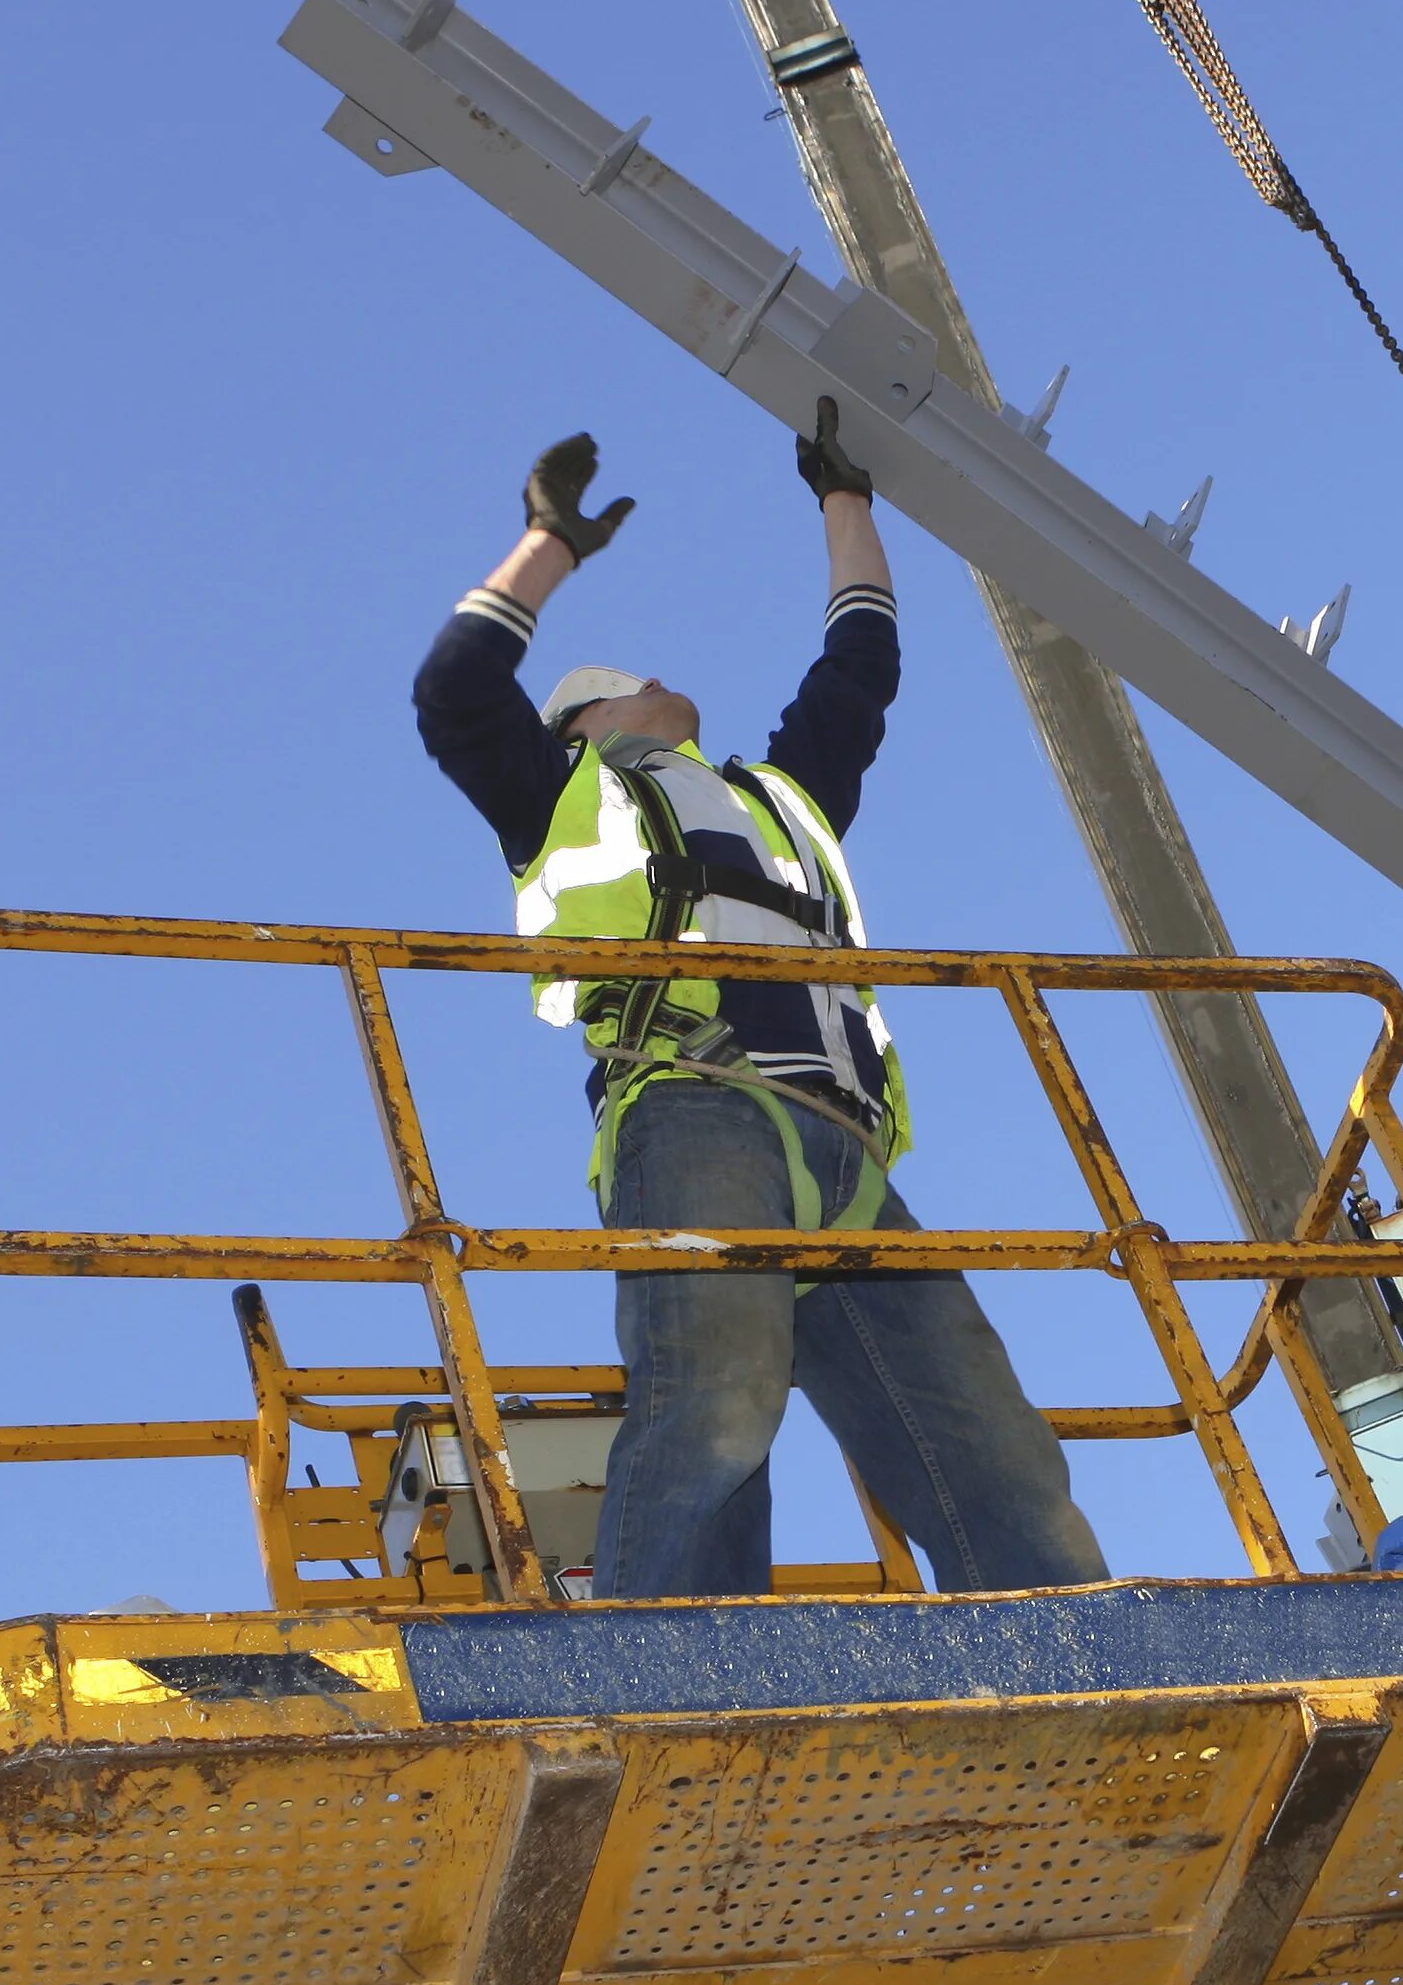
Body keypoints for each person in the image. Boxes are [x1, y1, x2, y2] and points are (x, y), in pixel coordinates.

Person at [410, 407, 1111, 1603]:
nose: (652, 679)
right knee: (715, 1412)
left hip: (843, 1155)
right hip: (697, 1111)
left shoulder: (781, 799)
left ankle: (1091, 1669)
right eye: (614, 686)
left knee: (990, 1448)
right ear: (580, 729)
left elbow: (860, 671)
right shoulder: (560, 798)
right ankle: (669, 1690)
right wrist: (548, 548)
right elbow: (453, 694)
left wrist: (845, 500)